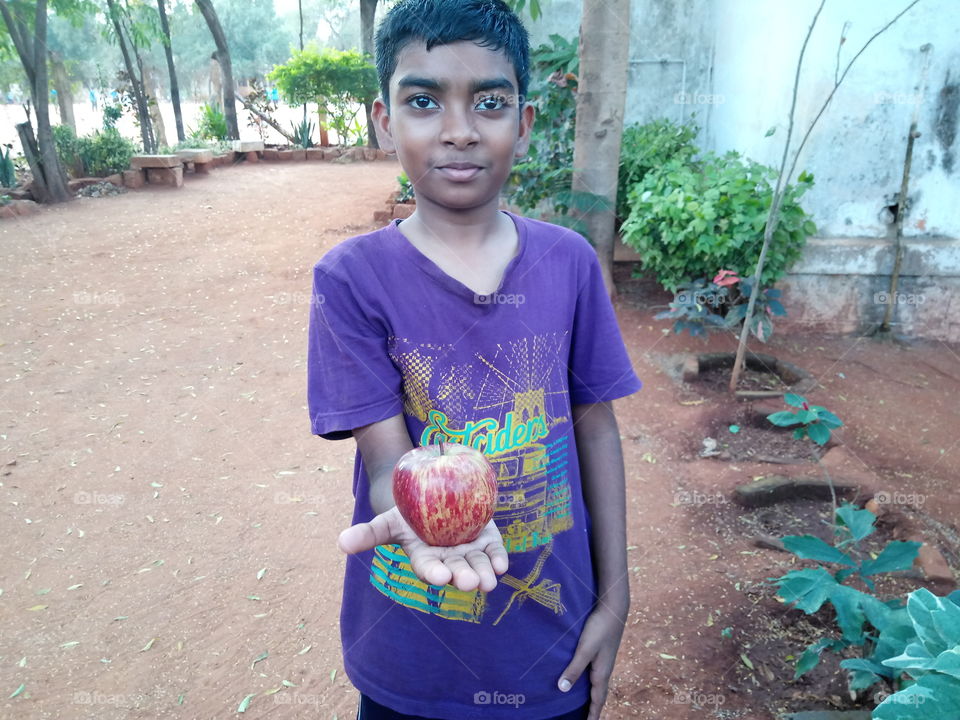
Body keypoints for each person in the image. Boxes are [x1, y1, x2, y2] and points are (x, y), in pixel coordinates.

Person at [306, 1, 642, 718]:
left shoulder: (568, 263)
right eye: (423, 101)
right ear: (383, 121)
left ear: (523, 123)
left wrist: (615, 599)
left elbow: (596, 430)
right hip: (410, 648)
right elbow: (384, 464)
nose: (459, 130)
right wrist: (418, 519)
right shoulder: (351, 279)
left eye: (489, 103)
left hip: (550, 646)